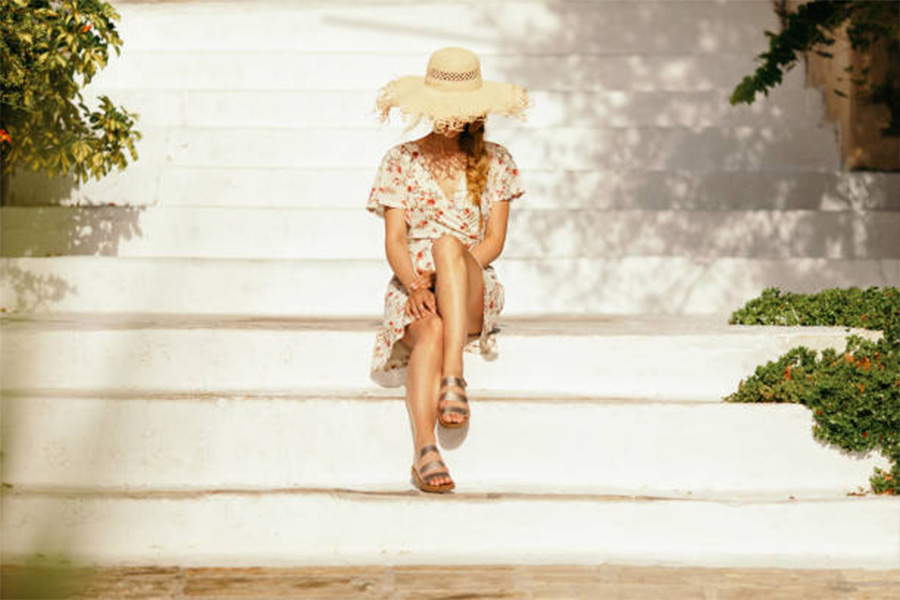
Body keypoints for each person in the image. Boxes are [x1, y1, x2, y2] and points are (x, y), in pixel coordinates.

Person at [366, 47, 531, 493]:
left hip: (473, 280)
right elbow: (395, 240)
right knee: (430, 332)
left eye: (460, 109)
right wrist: (418, 284)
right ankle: (424, 452)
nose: (450, 118)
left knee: (446, 244)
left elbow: (493, 240)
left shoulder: (496, 159)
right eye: (442, 108)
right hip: (412, 284)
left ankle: (454, 373)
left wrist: (450, 269)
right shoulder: (400, 159)